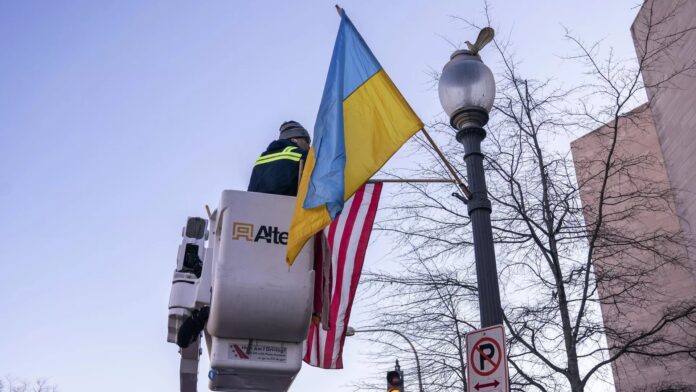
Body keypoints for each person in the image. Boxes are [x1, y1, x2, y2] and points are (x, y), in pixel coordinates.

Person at [248, 120, 311, 196]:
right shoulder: (300, 154)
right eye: (307, 141)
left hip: (255, 205)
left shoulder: (261, 157)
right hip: (289, 205)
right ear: (295, 139)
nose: (308, 146)